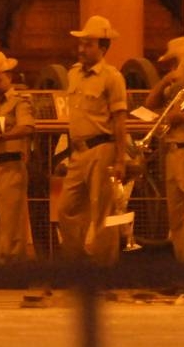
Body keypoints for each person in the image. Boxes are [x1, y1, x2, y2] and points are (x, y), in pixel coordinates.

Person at [51, 16, 135, 271]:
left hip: (102, 150)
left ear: (103, 48)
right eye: (81, 44)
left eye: (88, 44)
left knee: (103, 214)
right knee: (66, 210)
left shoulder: (112, 77)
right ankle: (77, 266)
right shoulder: (73, 74)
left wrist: (120, 159)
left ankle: (103, 272)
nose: (82, 49)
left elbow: (119, 121)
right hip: (78, 153)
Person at [144, 36, 184, 266]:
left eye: (176, 63)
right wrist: (163, 82)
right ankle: (182, 265)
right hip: (172, 152)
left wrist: (182, 117)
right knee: (177, 217)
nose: (173, 68)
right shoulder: (175, 89)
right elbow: (148, 105)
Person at [0, 51, 36, 265]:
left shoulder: (19, 101)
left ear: (9, 77)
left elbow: (27, 126)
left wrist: (3, 136)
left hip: (10, 167)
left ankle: (15, 271)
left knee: (12, 226)